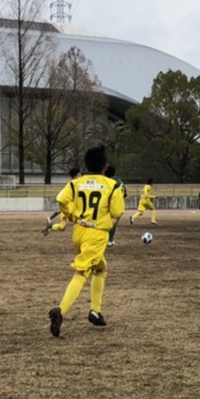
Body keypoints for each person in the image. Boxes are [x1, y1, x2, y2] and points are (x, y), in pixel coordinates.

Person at [48, 144, 125, 337]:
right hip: (96, 234)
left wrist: (70, 215)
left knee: (101, 269)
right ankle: (60, 311)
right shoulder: (113, 186)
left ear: (87, 165)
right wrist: (104, 224)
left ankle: (95, 312)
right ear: (105, 166)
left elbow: (61, 199)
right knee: (82, 272)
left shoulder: (76, 183)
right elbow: (116, 215)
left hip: (79, 232)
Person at [43, 168, 80, 235]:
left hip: (66, 206)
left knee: (62, 226)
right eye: (80, 174)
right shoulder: (79, 183)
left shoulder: (69, 184)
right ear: (77, 174)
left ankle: (51, 228)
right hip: (74, 207)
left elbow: (62, 197)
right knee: (81, 223)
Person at [104, 164, 124, 246]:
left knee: (105, 222)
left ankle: (106, 239)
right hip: (119, 204)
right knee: (114, 222)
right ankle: (110, 240)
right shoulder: (119, 181)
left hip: (108, 203)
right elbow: (125, 193)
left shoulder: (107, 181)